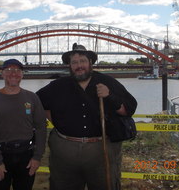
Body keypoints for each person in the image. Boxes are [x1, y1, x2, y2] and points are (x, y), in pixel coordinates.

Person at [36, 43, 137, 190]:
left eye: (82, 61)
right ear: (69, 66)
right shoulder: (58, 86)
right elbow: (36, 103)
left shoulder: (107, 82)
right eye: (74, 62)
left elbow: (128, 109)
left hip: (101, 149)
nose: (79, 66)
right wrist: (57, 121)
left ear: (90, 63)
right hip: (64, 151)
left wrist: (110, 96)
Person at [0, 58, 47, 190]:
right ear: (2, 74)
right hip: (1, 156)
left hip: (26, 157)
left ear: (22, 74)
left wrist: (37, 157)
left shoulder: (32, 98)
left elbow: (41, 128)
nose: (13, 73)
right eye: (9, 70)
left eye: (17, 70)